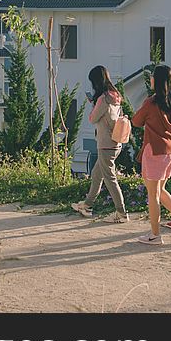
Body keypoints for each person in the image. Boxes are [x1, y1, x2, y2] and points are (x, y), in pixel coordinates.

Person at [131, 65, 171, 245]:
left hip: (154, 150)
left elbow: (136, 121)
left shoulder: (151, 103)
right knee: (160, 190)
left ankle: (155, 235)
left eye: (152, 77)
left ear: (157, 82)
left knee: (153, 194)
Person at [71, 65, 129, 223]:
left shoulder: (103, 98)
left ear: (96, 81)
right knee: (97, 175)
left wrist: (94, 105)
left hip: (105, 144)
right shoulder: (116, 95)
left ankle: (122, 213)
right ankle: (87, 206)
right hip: (116, 142)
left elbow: (93, 118)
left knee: (110, 178)